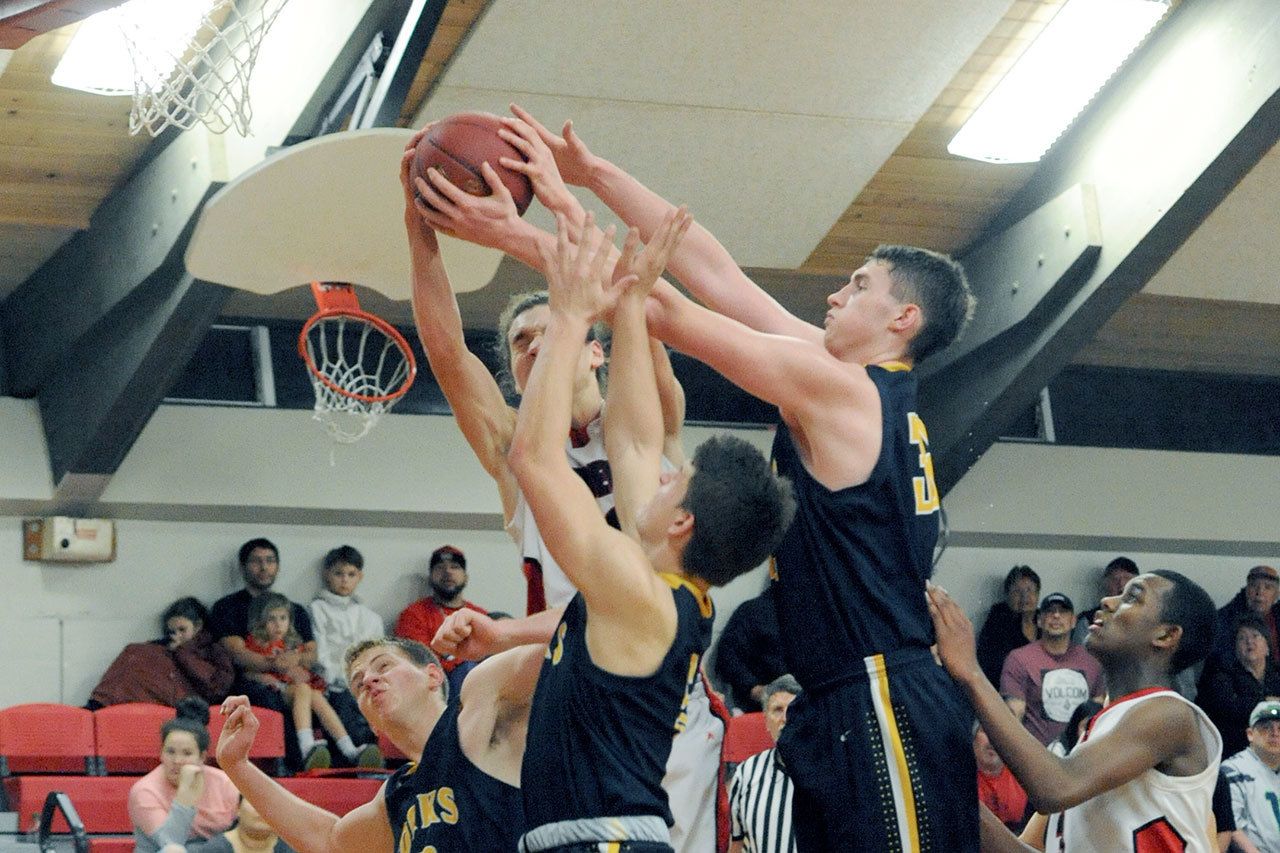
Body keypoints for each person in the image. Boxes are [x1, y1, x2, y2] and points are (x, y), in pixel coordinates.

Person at [491, 105, 979, 851]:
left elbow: (668, 310)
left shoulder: (842, 389)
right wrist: (591, 176)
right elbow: (713, 270)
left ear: (903, 317)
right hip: (840, 694)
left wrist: (538, 221)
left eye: (858, 284)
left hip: (881, 691)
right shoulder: (844, 378)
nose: (835, 296)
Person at [402, 122, 728, 853]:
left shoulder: (647, 424)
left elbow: (637, 311)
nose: (530, 348)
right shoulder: (515, 455)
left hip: (660, 694)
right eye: (519, 344)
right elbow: (449, 353)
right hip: (562, 686)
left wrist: (572, 231)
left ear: (594, 345)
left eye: (545, 332)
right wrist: (419, 233)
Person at [502, 210, 793, 853]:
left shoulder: (636, 591)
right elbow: (633, 440)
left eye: (674, 483)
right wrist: (631, 303)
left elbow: (534, 459)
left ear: (682, 521)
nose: (659, 479)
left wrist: (572, 318)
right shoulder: (667, 583)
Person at [929, 570, 1221, 852]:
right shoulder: (1096, 736)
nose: (1108, 601)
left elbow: (1054, 788)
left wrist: (970, 671)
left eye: (1132, 597)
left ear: (1166, 635)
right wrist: (943, 786)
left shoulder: (1169, 714)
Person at [216, 635, 539, 851]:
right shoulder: (398, 795)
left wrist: (502, 633)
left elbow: (581, 637)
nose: (369, 679)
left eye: (384, 666)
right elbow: (329, 841)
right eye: (358, 684)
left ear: (433, 676)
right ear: (370, 720)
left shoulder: (486, 703)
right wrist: (237, 766)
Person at [208, 538, 318, 771]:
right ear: (243, 567)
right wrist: (280, 665)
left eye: (270, 561)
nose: (264, 567)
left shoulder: (294, 609)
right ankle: (294, 767)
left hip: (290, 680)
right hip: (245, 681)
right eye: (256, 561)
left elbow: (311, 654)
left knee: (333, 696)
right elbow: (238, 654)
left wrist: (294, 663)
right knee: (269, 698)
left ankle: (349, 763)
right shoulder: (227, 607)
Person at [242, 593, 380, 771]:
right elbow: (249, 673)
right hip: (276, 689)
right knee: (302, 689)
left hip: (298, 688)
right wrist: (267, 678)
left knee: (315, 695)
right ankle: (307, 747)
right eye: (271, 619)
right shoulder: (256, 643)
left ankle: (350, 750)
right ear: (261, 621)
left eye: (283, 618)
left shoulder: (293, 644)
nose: (278, 624)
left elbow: (306, 669)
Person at [128, 697, 240, 853]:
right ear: (161, 754)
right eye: (170, 752)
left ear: (202, 757)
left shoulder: (224, 783)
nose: (177, 761)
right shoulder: (144, 791)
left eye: (187, 753)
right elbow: (170, 842)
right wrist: (185, 797)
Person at [89, 597, 234, 709]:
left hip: (185, 699)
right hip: (152, 694)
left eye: (182, 630)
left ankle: (101, 704)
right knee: (134, 653)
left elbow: (216, 685)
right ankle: (100, 702)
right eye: (172, 631)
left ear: (198, 626)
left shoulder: (213, 650)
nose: (176, 635)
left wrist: (182, 652)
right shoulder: (161, 647)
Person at [999, 593, 1104, 747]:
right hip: (1035, 756)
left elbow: (1098, 714)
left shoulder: (1092, 660)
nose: (1056, 616)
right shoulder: (1018, 659)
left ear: (1073, 621)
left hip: (1081, 755)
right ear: (1039, 621)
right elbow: (1013, 716)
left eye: (1063, 612)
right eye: (1050, 611)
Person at [307, 544, 381, 754]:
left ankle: (371, 753)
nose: (345, 580)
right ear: (326, 574)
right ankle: (357, 754)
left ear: (360, 577)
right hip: (332, 683)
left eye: (351, 574)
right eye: (338, 573)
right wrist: (339, 679)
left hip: (364, 681)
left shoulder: (370, 617)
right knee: (345, 701)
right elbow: (319, 651)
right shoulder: (316, 609)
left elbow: (377, 654)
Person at [393, 545, 487, 685]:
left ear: (466, 577)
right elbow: (419, 661)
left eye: (454, 567)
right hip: (434, 687)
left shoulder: (480, 615)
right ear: (430, 577)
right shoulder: (413, 615)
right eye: (440, 567)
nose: (447, 572)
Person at [728, 674, 801, 853]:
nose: (785, 718)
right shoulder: (746, 772)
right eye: (777, 710)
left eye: (792, 709)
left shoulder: (831, 771)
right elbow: (735, 844)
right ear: (766, 721)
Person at [1199, 616, 1280, 759]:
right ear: (1235, 649)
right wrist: (1266, 702)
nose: (1250, 642)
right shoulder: (1223, 675)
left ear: (1267, 647)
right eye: (1242, 638)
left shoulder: (1277, 674)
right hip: (1238, 750)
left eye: (1256, 636)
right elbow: (1230, 707)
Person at [713, 590, 787, 713]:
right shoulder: (755, 610)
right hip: (762, 707)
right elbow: (728, 655)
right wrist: (754, 689)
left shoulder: (814, 615)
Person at [1222, 701, 1280, 853]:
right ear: (1250, 734)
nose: (1275, 733)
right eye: (1266, 727)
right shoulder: (1232, 770)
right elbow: (1231, 827)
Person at [977, 566, 1042, 685]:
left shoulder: (1045, 619)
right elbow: (994, 665)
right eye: (1017, 591)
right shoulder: (997, 620)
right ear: (1007, 595)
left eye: (1029, 590)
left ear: (1038, 594)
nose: (1024, 596)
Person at [975, 722, 1029, 833]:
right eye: (985, 731)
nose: (992, 739)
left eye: (999, 732)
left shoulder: (1025, 775)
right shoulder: (956, 777)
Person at [1217, 566, 1280, 661]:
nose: (1260, 592)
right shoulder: (1226, 618)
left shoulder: (1276, 616)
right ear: (1246, 591)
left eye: (1267, 587)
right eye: (1254, 586)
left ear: (1276, 595)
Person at [1071, 557, 1139, 645]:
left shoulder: (1148, 617)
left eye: (1127, 578)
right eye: (1115, 579)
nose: (1121, 584)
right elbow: (1080, 656)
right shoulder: (1088, 620)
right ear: (1105, 584)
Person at [204, 797, 295, 853]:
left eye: (270, 804)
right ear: (238, 808)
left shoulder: (294, 848)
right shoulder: (214, 849)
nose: (262, 809)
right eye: (254, 801)